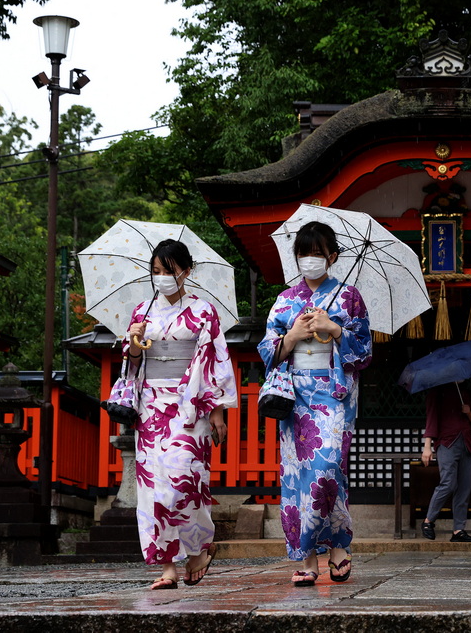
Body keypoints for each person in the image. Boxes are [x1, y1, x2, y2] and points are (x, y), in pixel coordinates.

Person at [258, 221, 372, 587]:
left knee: (327, 468)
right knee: (296, 475)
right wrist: (291, 336)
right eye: (303, 253)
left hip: (333, 392)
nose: (310, 260)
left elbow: (365, 351)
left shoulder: (349, 296)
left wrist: (335, 329)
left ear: (332, 257)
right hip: (295, 395)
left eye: (317, 253)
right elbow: (267, 351)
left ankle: (338, 545)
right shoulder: (284, 301)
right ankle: (308, 558)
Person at [121, 238, 236, 590]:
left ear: (186, 271)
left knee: (183, 483)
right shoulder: (141, 313)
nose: (162, 278)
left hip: (190, 406)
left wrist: (217, 411)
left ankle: (200, 549)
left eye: (168, 271)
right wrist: (134, 344)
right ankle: (167, 565)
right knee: (154, 490)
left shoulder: (204, 311)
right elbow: (131, 367)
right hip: (151, 407)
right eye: (156, 272)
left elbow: (215, 363)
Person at [420, 380, 471, 542]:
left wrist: (468, 412)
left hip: (467, 444)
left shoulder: (467, 394)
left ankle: (458, 530)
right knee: (448, 483)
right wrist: (427, 446)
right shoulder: (437, 393)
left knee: (464, 488)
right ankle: (428, 521)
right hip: (447, 443)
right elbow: (431, 418)